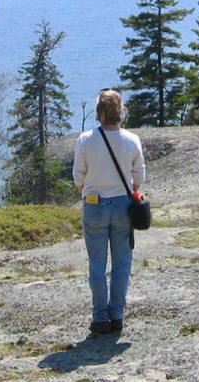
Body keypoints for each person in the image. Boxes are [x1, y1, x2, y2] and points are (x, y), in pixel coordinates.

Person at [72, 89, 145, 334]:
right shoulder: (132, 140)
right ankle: (117, 314)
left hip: (94, 204)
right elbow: (139, 177)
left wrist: (88, 192)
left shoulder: (85, 139)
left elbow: (78, 177)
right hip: (123, 206)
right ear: (120, 111)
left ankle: (100, 317)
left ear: (98, 112)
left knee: (97, 264)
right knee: (122, 263)